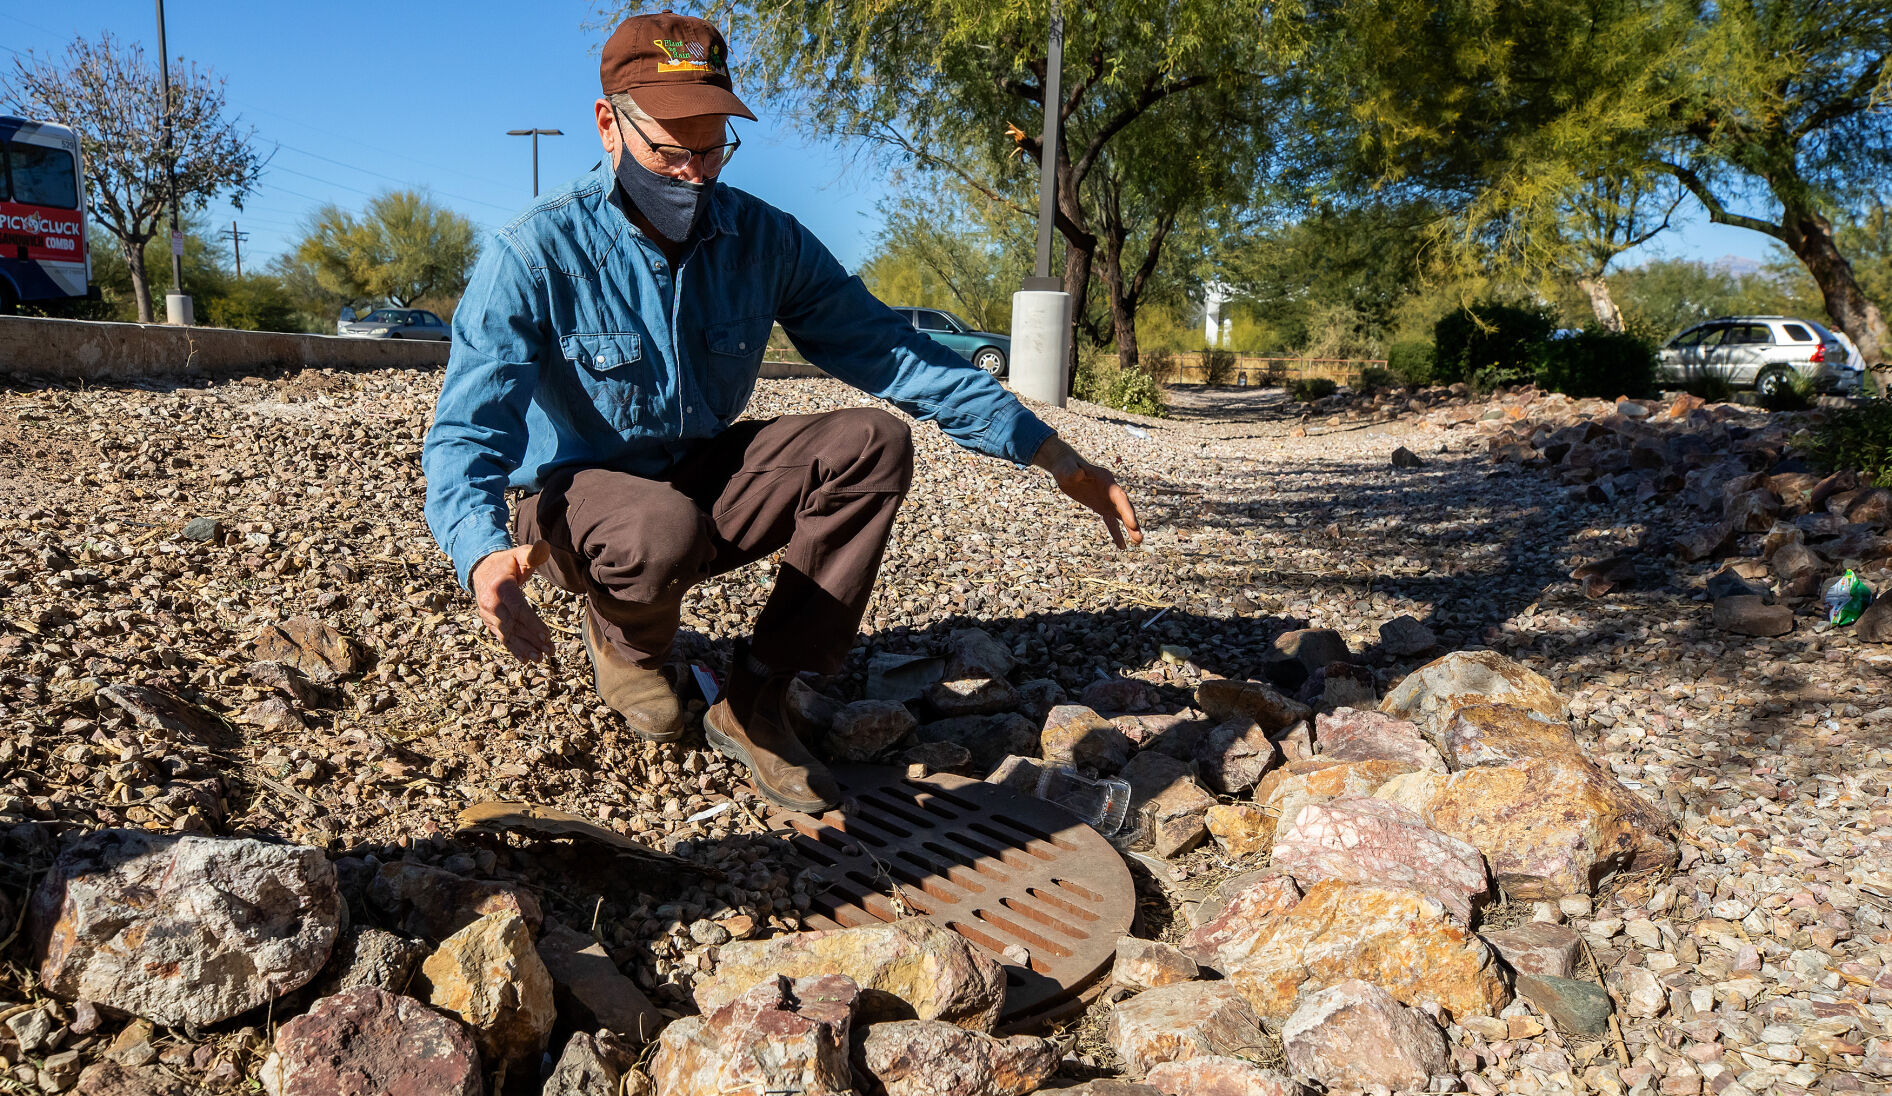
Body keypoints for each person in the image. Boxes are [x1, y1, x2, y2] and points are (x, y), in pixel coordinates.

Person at [422, 11, 1142, 813]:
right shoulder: (535, 250)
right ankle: (628, 643)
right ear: (608, 125)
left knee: (871, 441)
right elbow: (467, 429)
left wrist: (1055, 457)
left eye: (712, 148)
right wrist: (481, 553)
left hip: (695, 481)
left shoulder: (765, 240)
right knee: (654, 531)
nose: (694, 173)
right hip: (572, 505)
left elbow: (892, 353)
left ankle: (757, 698)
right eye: (671, 149)